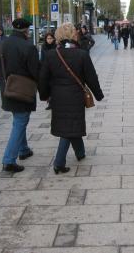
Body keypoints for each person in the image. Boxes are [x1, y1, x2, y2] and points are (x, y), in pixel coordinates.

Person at [38, 22, 103, 174]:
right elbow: (91, 78)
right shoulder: (81, 54)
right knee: (69, 128)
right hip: (75, 97)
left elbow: (43, 78)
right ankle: (59, 162)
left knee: (70, 124)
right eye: (75, 31)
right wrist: (98, 94)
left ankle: (80, 153)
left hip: (58, 97)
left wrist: (44, 95)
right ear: (72, 35)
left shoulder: (51, 55)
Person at [0, 18, 39, 173]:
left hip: (7, 89)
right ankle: (9, 160)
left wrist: (4, 86)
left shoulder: (1, 45)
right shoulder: (28, 47)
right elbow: (36, 72)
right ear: (26, 30)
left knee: (18, 119)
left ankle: (24, 149)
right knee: (20, 121)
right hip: (23, 91)